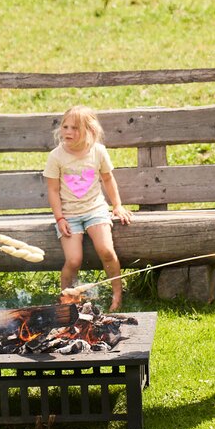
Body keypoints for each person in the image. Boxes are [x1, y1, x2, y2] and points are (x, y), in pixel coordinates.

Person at [44, 105, 132, 311]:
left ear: (89, 131)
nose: (68, 132)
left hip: (95, 210)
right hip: (69, 215)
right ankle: (66, 302)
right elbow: (53, 190)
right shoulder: (56, 156)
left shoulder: (98, 152)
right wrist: (60, 219)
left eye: (75, 128)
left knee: (107, 251)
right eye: (65, 126)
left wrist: (117, 205)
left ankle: (117, 296)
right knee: (74, 260)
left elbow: (108, 179)